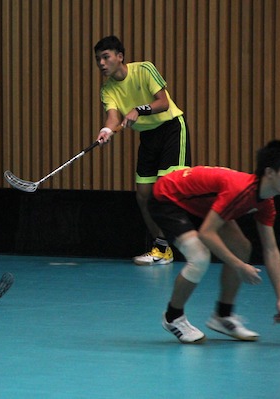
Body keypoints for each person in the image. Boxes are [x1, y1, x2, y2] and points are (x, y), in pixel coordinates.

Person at [152, 140, 280, 343]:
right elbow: (207, 233)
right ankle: (173, 317)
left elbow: (271, 250)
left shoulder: (266, 202)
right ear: (270, 173)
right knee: (199, 256)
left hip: (200, 204)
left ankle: (223, 316)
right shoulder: (240, 190)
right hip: (168, 197)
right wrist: (239, 266)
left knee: (242, 247)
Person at [94, 35, 191, 266]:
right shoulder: (107, 89)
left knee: (166, 190)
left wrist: (140, 109)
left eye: (106, 57)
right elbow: (113, 116)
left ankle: (192, 242)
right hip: (148, 137)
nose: (101, 63)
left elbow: (163, 102)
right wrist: (106, 130)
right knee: (143, 196)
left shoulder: (145, 69)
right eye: (98, 59)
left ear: (120, 57)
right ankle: (162, 249)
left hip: (171, 130)